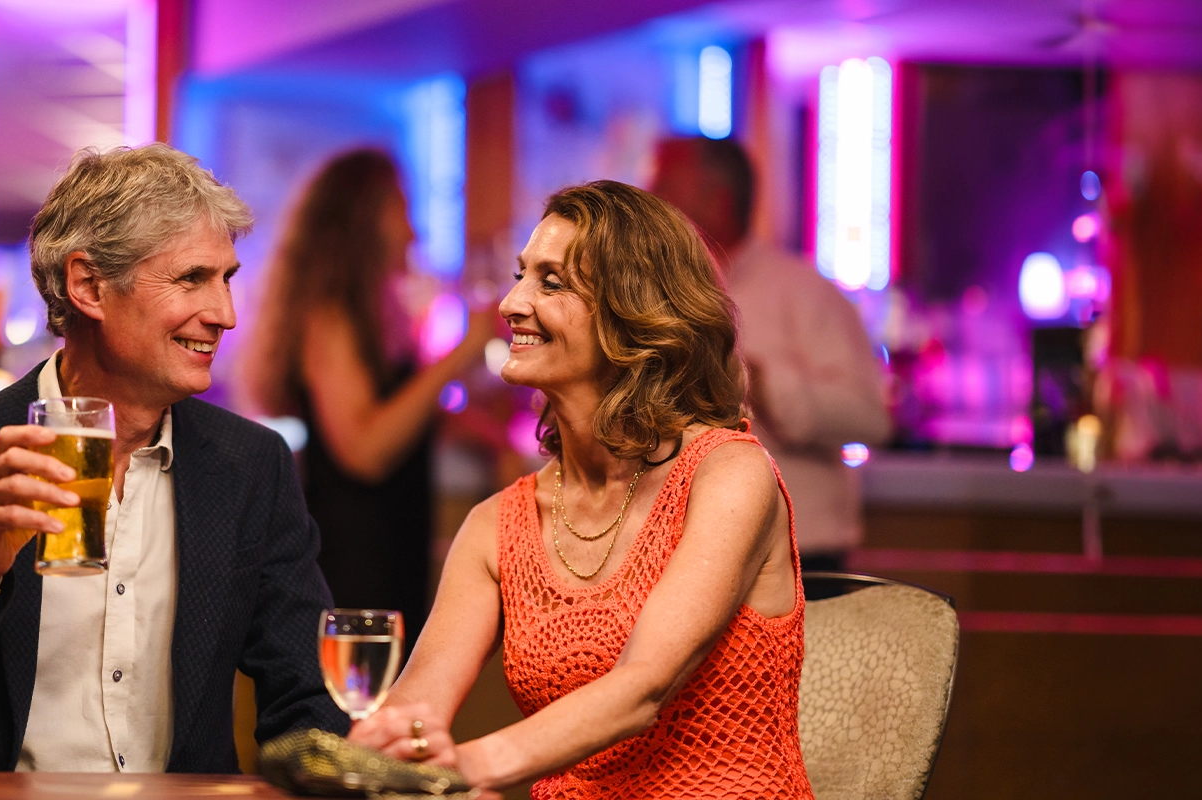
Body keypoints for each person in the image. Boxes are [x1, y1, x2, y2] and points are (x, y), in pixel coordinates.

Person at [0, 144, 349, 774]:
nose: (224, 315)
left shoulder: (251, 465)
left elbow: (310, 703)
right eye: (191, 279)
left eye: (226, 279)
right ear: (88, 285)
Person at [348, 180, 814, 798]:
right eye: (521, 275)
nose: (512, 303)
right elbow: (412, 712)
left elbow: (642, 688)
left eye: (551, 282)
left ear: (634, 312)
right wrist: (384, 755)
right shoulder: (497, 525)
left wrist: (465, 768)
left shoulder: (729, 475)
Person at [240, 149, 493, 642]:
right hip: (353, 567)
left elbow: (406, 416)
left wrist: (491, 437)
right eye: (401, 209)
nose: (413, 232)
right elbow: (365, 450)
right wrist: (461, 355)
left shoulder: (375, 317)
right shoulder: (330, 316)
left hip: (391, 554)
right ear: (364, 219)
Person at [649, 136, 891, 578]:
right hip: (681, 551)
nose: (648, 196)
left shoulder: (803, 293)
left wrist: (756, 381)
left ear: (717, 201)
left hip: (797, 552)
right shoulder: (648, 297)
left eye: (664, 188)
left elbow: (870, 418)